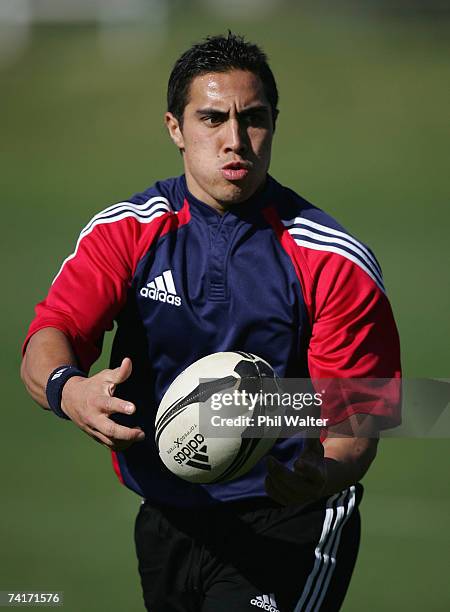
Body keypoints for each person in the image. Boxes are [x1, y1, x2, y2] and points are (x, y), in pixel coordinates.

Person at [20, 32, 401, 612]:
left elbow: (358, 417)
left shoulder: (332, 260)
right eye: (212, 118)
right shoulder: (127, 232)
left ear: (275, 123)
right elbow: (50, 338)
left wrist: (322, 474)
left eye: (253, 119)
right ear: (175, 127)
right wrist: (67, 389)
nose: (235, 140)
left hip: (291, 519)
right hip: (167, 515)